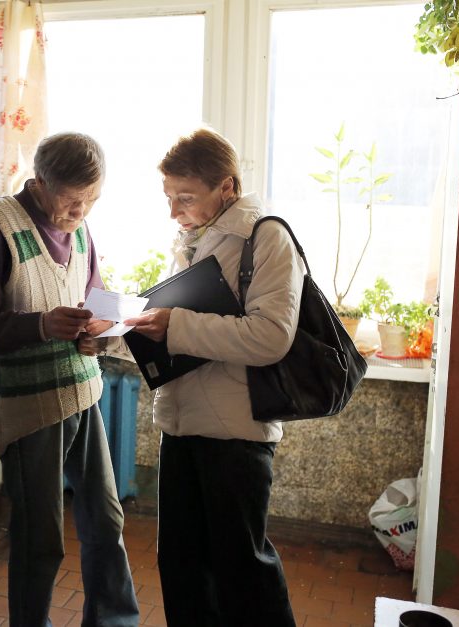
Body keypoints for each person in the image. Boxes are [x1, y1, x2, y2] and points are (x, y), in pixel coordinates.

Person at [0, 132, 139, 627]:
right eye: (72, 199)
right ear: (39, 184)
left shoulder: (80, 227)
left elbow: (94, 295)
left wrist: (97, 334)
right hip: (30, 408)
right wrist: (39, 325)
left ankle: (113, 622)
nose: (81, 211)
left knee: (106, 520)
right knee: (40, 537)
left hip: (84, 392)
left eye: (93, 200)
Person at [122, 127, 302, 626]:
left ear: (227, 187)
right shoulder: (193, 239)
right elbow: (178, 320)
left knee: (242, 572)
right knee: (181, 565)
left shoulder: (266, 236)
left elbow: (270, 337)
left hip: (236, 432)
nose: (174, 211)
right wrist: (119, 330)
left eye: (185, 197)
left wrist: (174, 325)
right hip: (181, 425)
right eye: (168, 197)